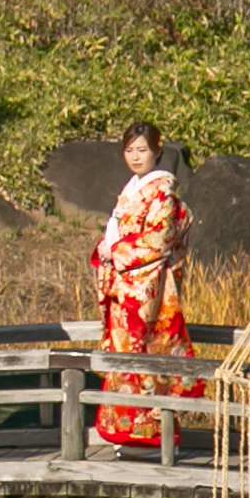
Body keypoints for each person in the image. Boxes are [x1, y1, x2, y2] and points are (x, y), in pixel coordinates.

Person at [91, 123, 206, 452]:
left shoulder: (162, 192)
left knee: (146, 356)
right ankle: (123, 434)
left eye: (142, 150)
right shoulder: (131, 190)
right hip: (126, 285)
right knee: (124, 358)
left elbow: (156, 242)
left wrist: (114, 252)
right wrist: (109, 250)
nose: (135, 156)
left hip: (146, 290)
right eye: (129, 150)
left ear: (158, 150)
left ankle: (152, 436)